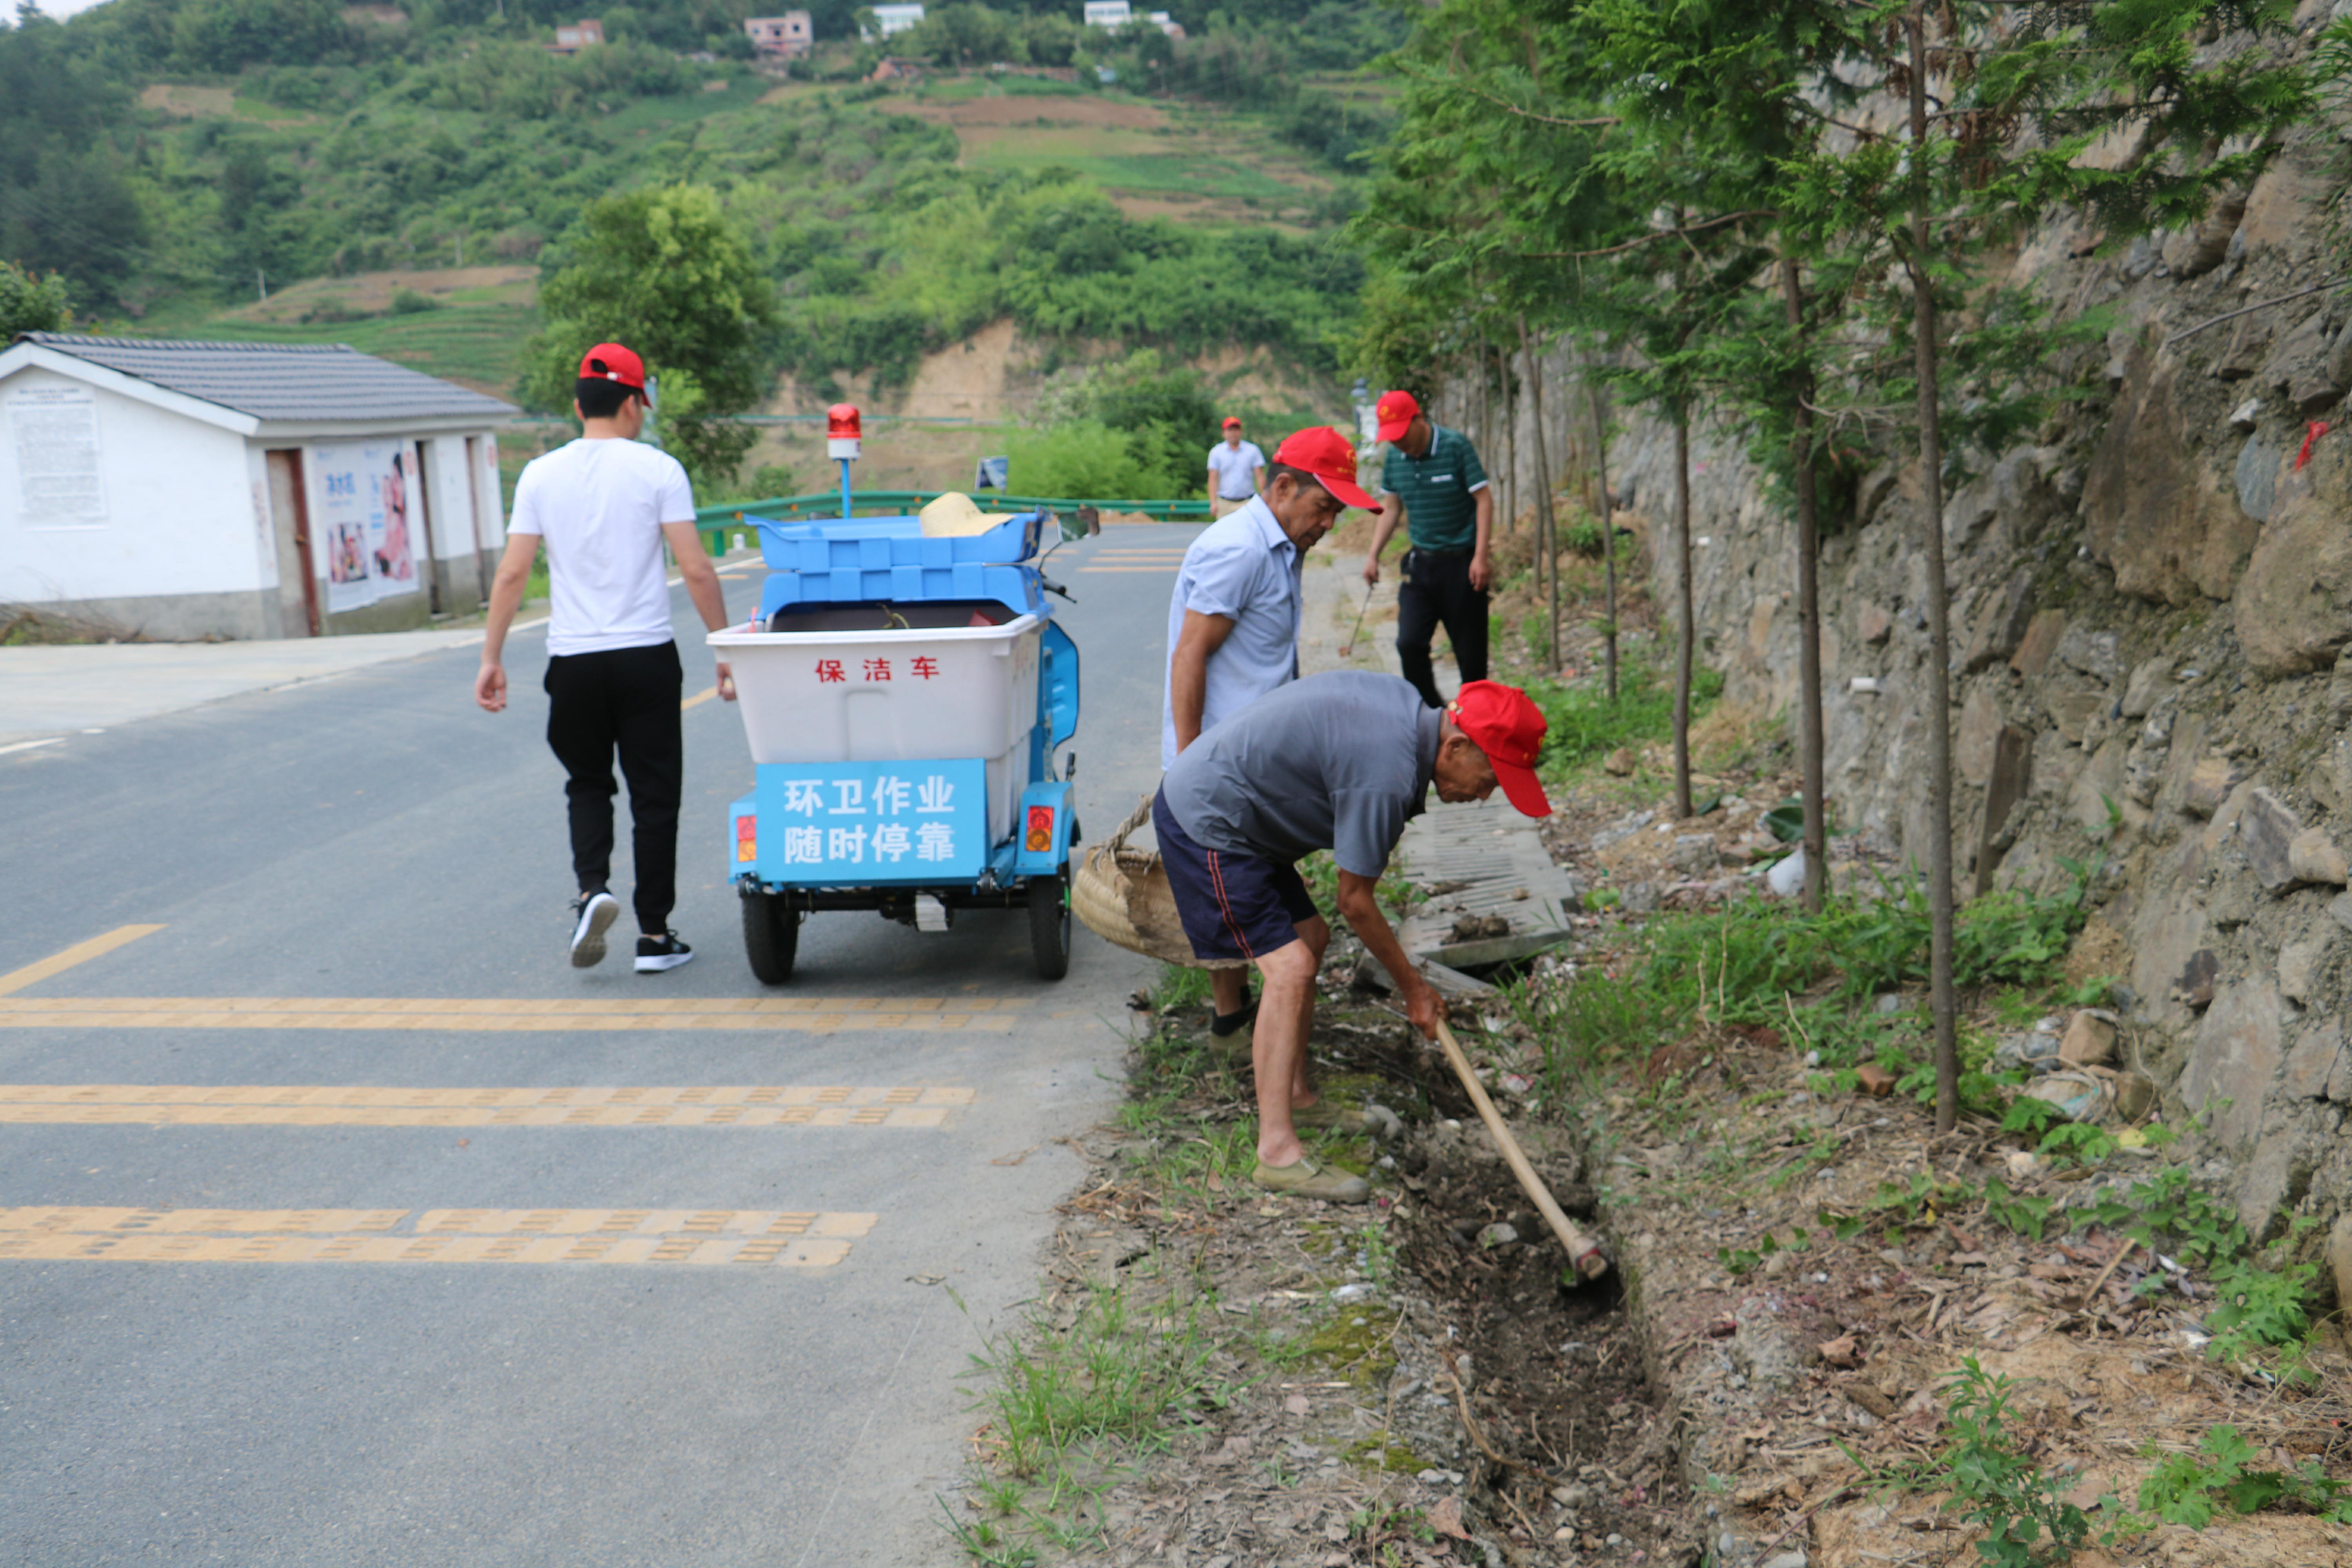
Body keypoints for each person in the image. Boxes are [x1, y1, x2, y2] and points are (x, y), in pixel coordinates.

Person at [1154, 674, 1552, 1201]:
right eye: (1490, 778)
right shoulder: (1385, 773)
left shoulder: (1406, 719)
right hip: (1208, 821)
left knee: (1310, 939)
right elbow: (1355, 901)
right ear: (1456, 745)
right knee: (1290, 967)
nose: (1484, 795)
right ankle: (1276, 1153)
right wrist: (1413, 989)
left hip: (1245, 820)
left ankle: (1296, 1097)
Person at [475, 341, 738, 974]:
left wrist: (492, 656)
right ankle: (654, 936)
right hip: (645, 656)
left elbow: (513, 574)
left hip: (575, 662)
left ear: (577, 406)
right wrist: (726, 649)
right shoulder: (658, 470)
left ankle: (593, 888)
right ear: (631, 403)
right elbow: (697, 569)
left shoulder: (540, 474)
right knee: (655, 796)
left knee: (587, 783)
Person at [1163, 425, 1370, 1038]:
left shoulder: (1281, 544)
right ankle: (1240, 1031)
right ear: (1282, 487)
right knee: (1251, 914)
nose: (1329, 522)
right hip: (1222, 769)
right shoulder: (1242, 549)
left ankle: (1237, 1022)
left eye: (1337, 510)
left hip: (1252, 764)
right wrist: (1190, 760)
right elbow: (1190, 654)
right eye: (1324, 506)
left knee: (1254, 909)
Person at [1360, 390, 1495, 710]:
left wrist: (1481, 556)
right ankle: (1434, 715)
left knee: (1471, 658)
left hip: (1463, 565)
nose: (1397, 443)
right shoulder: (1395, 458)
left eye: (1401, 434)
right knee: (1409, 644)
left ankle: (1477, 724)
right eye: (1390, 438)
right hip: (1421, 565)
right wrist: (1373, 554)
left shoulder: (1455, 446)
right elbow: (1391, 508)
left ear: (1419, 420)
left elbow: (1484, 499)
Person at [1205, 417, 1267, 519]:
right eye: (1230, 430)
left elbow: (1260, 475)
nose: (1233, 433)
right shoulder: (1217, 452)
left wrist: (1264, 498)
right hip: (1225, 503)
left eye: (1236, 430)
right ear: (1223, 433)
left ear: (1241, 432)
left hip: (1247, 502)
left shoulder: (1252, 451)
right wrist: (1213, 502)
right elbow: (1213, 478)